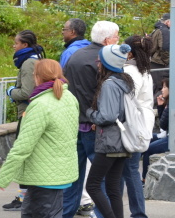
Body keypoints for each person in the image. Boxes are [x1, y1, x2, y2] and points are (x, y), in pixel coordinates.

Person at [0, 59, 79, 218]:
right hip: (58, 172)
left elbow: (23, 145)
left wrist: (4, 176)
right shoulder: (69, 97)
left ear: (37, 77)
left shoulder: (40, 104)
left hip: (44, 177)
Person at [62, 21, 120, 218]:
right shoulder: (104, 61)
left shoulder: (75, 55)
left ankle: (66, 213)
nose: (118, 40)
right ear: (107, 40)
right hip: (96, 125)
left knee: (72, 177)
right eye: (116, 36)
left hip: (74, 123)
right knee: (100, 179)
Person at [86, 44, 134, 218]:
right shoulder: (124, 81)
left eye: (100, 61)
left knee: (92, 185)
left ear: (107, 63)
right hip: (123, 141)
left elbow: (107, 116)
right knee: (113, 188)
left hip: (109, 142)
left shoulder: (109, 85)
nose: (97, 64)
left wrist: (90, 113)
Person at [4, 30, 46, 211]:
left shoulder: (29, 63)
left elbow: (27, 92)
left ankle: (24, 199)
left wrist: (11, 92)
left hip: (27, 114)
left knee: (23, 156)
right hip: (30, 113)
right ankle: (28, 197)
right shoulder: (34, 60)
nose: (14, 46)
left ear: (25, 45)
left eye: (16, 43)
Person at [120, 35, 155, 218]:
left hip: (131, 127)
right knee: (130, 170)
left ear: (130, 53)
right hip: (143, 125)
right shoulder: (145, 71)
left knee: (125, 171)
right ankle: (138, 213)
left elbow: (127, 100)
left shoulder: (130, 73)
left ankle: (136, 213)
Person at [142, 79, 170, 182]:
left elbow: (163, 124)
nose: (162, 90)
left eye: (164, 87)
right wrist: (160, 106)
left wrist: (163, 107)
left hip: (171, 139)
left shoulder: (171, 104)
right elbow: (163, 126)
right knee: (145, 140)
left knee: (148, 149)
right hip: (165, 135)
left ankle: (144, 179)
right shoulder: (168, 103)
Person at [149, 14, 171, 102]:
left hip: (154, 61)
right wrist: (166, 62)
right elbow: (165, 48)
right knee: (160, 87)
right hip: (160, 64)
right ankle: (157, 107)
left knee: (154, 87)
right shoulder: (165, 31)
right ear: (168, 22)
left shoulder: (157, 29)